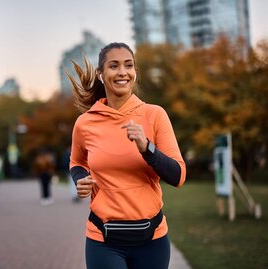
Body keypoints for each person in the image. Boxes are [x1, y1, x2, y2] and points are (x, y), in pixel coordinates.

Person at [68, 43, 186, 269]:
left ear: (135, 72)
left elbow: (178, 176)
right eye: (114, 66)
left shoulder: (155, 115)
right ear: (101, 74)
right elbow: (76, 161)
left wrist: (146, 148)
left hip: (152, 239)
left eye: (128, 65)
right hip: (103, 240)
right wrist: (80, 179)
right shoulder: (85, 123)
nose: (122, 72)